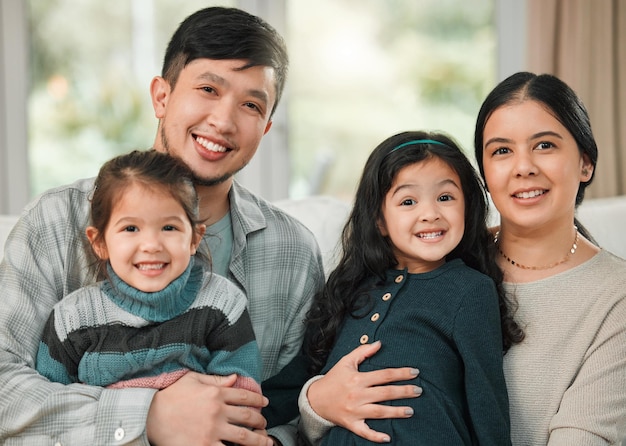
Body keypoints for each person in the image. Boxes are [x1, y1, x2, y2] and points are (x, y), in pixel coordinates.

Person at [0, 7, 324, 446]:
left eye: (250, 104)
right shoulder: (54, 223)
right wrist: (148, 419)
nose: (224, 121)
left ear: (266, 128)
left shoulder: (295, 252)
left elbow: (293, 411)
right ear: (161, 96)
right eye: (208, 88)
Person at [299, 131, 523, 445]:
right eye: (408, 201)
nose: (430, 213)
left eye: (445, 197)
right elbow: (300, 386)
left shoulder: (470, 289)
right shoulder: (349, 288)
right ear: (380, 221)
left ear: (468, 208)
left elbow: (487, 398)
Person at [473, 72, 626, 445]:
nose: (523, 167)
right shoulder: (442, 261)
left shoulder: (616, 298)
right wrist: (320, 401)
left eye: (544, 145)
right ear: (485, 173)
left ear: (585, 164)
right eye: (502, 151)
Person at [36, 150, 262, 397]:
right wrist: (145, 412)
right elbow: (51, 404)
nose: (152, 245)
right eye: (131, 228)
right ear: (99, 242)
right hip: (103, 435)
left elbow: (241, 399)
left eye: (169, 227)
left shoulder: (222, 304)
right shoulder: (71, 319)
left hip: (203, 435)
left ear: (194, 238)